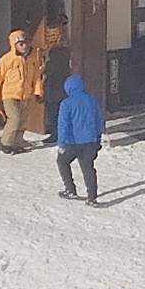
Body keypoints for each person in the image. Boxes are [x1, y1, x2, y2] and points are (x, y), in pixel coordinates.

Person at [0, 28, 47, 152]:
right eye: (21, 44)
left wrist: (38, 92)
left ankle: (18, 144)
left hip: (25, 95)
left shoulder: (32, 59)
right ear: (14, 45)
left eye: (26, 43)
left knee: (23, 121)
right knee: (14, 119)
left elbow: (36, 77)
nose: (24, 46)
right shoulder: (7, 59)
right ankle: (6, 143)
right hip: (9, 95)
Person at [52, 71, 104, 203]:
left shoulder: (66, 103)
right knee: (88, 168)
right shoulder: (91, 100)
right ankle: (92, 197)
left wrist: (61, 143)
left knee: (62, 162)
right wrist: (98, 138)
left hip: (73, 142)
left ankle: (70, 189)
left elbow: (63, 125)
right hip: (90, 141)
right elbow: (99, 119)